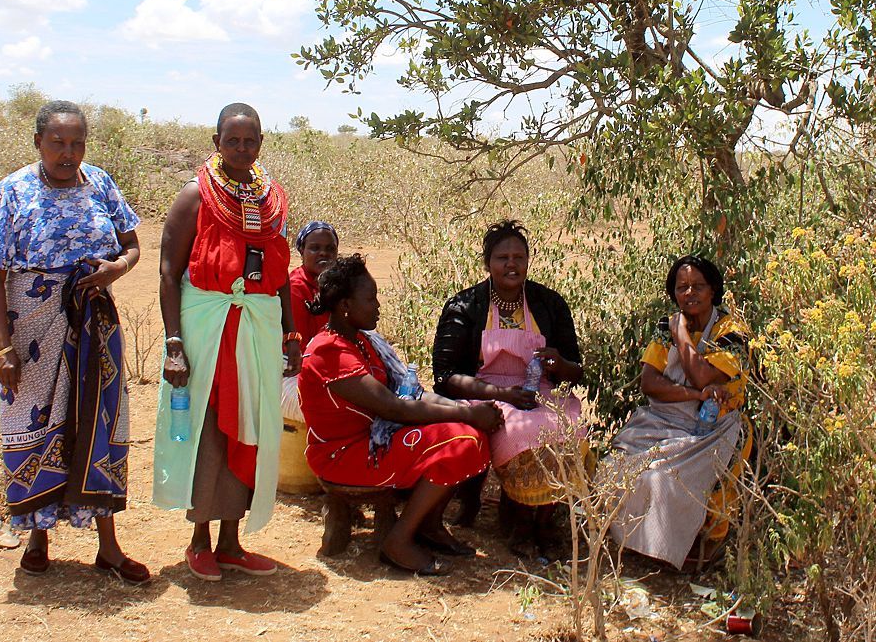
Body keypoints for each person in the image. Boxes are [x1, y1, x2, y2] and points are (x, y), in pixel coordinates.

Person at [0, 100, 148, 584]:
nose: (68, 153)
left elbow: (132, 244)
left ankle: (108, 547)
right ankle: (36, 535)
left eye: (76, 143)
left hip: (95, 323)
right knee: (32, 423)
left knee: (100, 421)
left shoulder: (101, 183)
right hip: (30, 327)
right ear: (37, 143)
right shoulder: (12, 191)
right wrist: (3, 347)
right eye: (57, 143)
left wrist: (119, 266)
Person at [153, 103, 301, 582]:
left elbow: (279, 273)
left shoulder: (271, 199)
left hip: (256, 326)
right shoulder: (193, 197)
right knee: (209, 424)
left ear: (261, 141)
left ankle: (232, 541)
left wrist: (290, 332)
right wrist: (175, 343)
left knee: (250, 424)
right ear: (215, 140)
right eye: (232, 140)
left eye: (250, 139)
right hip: (207, 326)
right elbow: (169, 273)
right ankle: (199, 540)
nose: (241, 148)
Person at [298, 254, 504, 576]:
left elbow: (413, 394)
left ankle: (429, 526)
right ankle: (398, 540)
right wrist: (467, 417)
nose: (378, 305)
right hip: (343, 455)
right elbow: (394, 407)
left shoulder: (362, 342)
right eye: (370, 298)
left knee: (470, 437)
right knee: (463, 439)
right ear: (345, 306)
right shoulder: (330, 353)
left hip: (372, 440)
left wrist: (465, 410)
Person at [431, 220, 584, 555]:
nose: (511, 264)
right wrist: (501, 395)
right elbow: (444, 377)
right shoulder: (465, 306)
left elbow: (576, 370)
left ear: (528, 262)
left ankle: (544, 519)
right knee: (521, 430)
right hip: (484, 392)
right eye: (503, 257)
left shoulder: (549, 304)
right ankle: (519, 520)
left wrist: (559, 363)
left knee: (570, 426)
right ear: (488, 263)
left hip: (540, 389)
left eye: (519, 257)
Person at [601, 255, 750, 570]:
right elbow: (650, 383)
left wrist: (680, 333)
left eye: (698, 286)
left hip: (715, 428)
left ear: (713, 291)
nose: (690, 293)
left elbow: (704, 376)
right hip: (663, 421)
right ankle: (639, 546)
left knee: (671, 479)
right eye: (682, 287)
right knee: (619, 467)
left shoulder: (732, 330)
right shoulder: (662, 327)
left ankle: (691, 550)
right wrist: (698, 394)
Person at [289, 221, 339, 342]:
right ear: (302, 251)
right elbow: (299, 343)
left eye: (330, 248)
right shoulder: (295, 288)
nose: (323, 253)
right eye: (315, 248)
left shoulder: (341, 282)